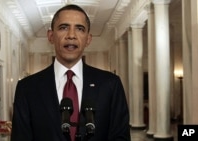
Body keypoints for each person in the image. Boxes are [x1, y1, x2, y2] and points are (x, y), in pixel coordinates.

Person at [11, 4, 131, 141]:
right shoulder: (27, 88)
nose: (71, 35)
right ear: (51, 36)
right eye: (64, 27)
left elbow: (120, 137)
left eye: (80, 29)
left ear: (88, 39)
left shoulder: (111, 84)